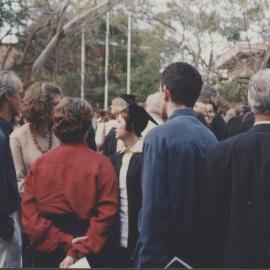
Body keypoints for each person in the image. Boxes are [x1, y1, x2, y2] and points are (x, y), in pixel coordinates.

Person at [21, 97, 119, 268]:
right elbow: (107, 214)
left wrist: (63, 241)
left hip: (49, 249)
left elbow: (29, 216)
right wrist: (77, 248)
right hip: (90, 249)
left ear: (56, 126)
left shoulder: (40, 165)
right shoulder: (102, 164)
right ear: (87, 127)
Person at [137, 62, 218, 268]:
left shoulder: (158, 137)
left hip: (167, 254)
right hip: (202, 252)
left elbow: (152, 208)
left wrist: (147, 261)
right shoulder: (210, 137)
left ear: (165, 91)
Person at [203, 69, 270, 268]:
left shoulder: (221, 153)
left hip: (235, 258)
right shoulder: (221, 152)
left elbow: (210, 219)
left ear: (250, 102)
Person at [111, 95, 157, 267]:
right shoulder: (116, 159)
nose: (115, 126)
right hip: (117, 236)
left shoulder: (145, 157)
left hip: (137, 237)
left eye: (119, 122)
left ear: (131, 126)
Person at [10, 81, 62, 195]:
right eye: (55, 105)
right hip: (32, 207)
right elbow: (19, 182)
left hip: (61, 206)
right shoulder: (17, 138)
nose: (60, 110)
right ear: (41, 107)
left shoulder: (60, 134)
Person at [0, 70, 23, 268]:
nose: (22, 99)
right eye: (20, 94)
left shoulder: (6, 133)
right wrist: (6, 227)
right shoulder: (1, 137)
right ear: (8, 96)